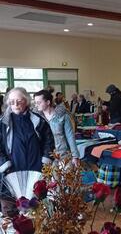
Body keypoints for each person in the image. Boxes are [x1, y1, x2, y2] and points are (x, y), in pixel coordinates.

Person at [0, 87, 54, 216]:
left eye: (19, 101)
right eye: (12, 102)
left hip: (35, 172)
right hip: (11, 173)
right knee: (11, 214)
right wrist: (4, 163)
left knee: (35, 212)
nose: (15, 104)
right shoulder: (2, 123)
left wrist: (45, 160)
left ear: (27, 101)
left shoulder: (38, 121)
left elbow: (49, 141)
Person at [34, 90, 80, 165]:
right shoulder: (37, 118)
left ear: (48, 102)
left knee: (67, 176)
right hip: (45, 157)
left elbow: (70, 135)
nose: (36, 105)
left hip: (63, 155)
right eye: (35, 103)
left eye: (39, 102)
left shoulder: (62, 115)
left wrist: (75, 156)